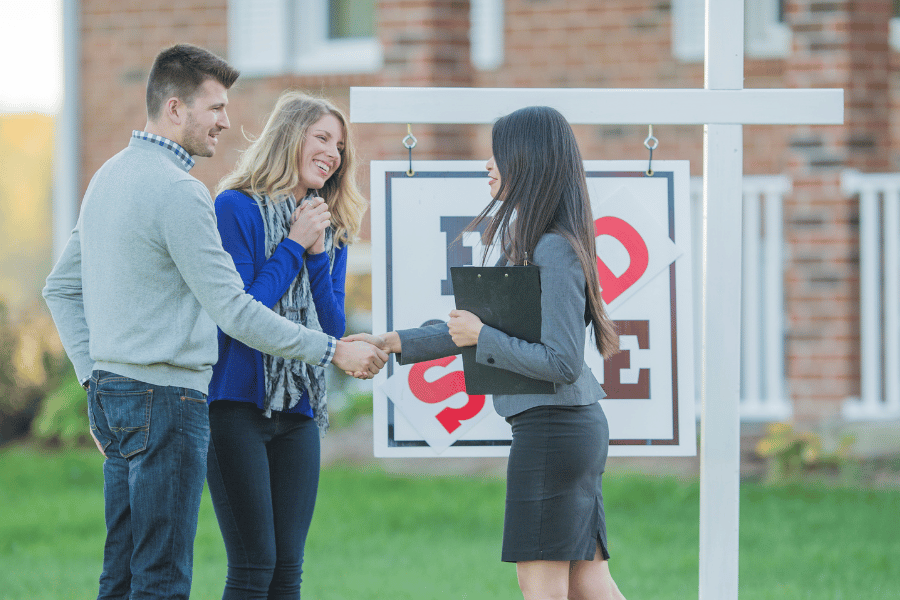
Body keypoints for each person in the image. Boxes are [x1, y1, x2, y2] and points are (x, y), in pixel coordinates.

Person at [42, 44, 386, 600]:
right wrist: (329, 348)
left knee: (126, 573)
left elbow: (59, 288)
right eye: (216, 108)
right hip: (175, 399)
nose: (227, 121)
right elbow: (235, 311)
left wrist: (94, 379)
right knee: (162, 578)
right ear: (176, 109)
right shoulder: (190, 195)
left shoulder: (109, 175)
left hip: (124, 393)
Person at [346, 106, 627, 600]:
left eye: (499, 153)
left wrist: (484, 338)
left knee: (541, 585)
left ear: (530, 161)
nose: (488, 164)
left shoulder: (554, 248)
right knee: (588, 585)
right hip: (565, 430)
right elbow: (474, 329)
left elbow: (561, 363)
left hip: (553, 433)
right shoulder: (538, 241)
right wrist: (391, 342)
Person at [204, 91, 365, 598]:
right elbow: (242, 312)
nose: (333, 153)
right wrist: (293, 245)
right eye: (322, 138)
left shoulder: (328, 224)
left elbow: (332, 327)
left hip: (298, 409)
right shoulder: (235, 208)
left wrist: (317, 254)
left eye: (339, 145)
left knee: (288, 569)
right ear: (290, 137)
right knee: (254, 567)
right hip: (236, 405)